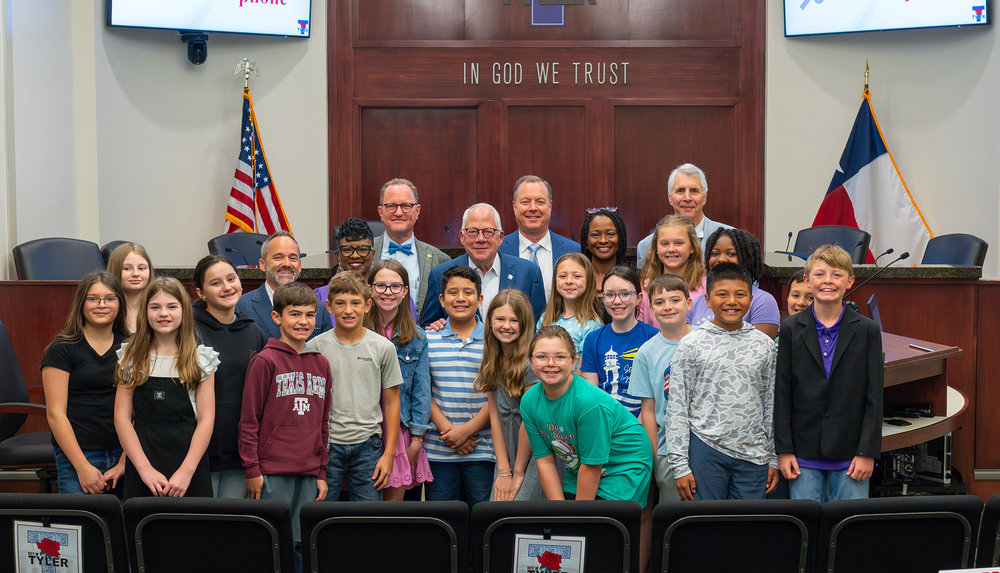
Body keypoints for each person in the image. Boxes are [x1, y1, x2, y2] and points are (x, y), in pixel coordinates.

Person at [776, 245, 883, 503]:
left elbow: (874, 395)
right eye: (820, 274)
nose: (828, 281)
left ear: (850, 281)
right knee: (807, 529)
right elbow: (782, 392)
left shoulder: (867, 330)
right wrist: (784, 450)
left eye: (836, 275)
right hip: (802, 452)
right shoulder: (790, 328)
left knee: (849, 530)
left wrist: (867, 451)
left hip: (851, 453)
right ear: (807, 280)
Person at [666, 263, 778, 501]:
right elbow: (677, 406)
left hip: (753, 454)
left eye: (740, 295)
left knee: (747, 529)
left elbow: (770, 403)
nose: (731, 301)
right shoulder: (691, 343)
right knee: (707, 528)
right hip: (705, 449)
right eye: (722, 294)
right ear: (707, 299)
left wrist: (773, 457)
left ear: (750, 299)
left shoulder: (764, 344)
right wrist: (680, 465)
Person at [239, 282, 332, 561]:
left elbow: (323, 423)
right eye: (295, 314)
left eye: (309, 315)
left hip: (309, 471)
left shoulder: (321, 363)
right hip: (271, 472)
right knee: (272, 544)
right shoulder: (265, 361)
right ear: (276, 317)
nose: (303, 322)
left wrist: (321, 471)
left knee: (303, 543)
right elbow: (248, 420)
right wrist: (252, 469)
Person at [520, 325, 652, 506]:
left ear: (574, 361)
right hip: (582, 464)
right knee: (564, 517)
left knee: (596, 525)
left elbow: (592, 466)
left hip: (623, 462)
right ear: (531, 361)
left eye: (560, 356)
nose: (551, 363)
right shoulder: (528, 402)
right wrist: (560, 514)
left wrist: (577, 520)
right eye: (541, 356)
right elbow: (545, 460)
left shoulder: (586, 401)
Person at [114, 278, 219, 499]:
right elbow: (121, 419)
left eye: (172, 306)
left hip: (189, 466)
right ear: (145, 312)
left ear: (184, 311)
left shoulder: (200, 360)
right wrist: (145, 470)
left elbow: (207, 420)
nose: (164, 313)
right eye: (155, 307)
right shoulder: (131, 358)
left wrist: (186, 472)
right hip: (144, 466)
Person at [310, 272, 402, 502]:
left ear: (368, 305)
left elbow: (392, 402)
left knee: (368, 520)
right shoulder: (313, 348)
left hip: (368, 445)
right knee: (319, 514)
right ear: (329, 307)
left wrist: (389, 453)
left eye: (355, 303)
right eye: (340, 303)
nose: (348, 310)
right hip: (326, 445)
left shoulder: (383, 347)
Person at [41, 271, 129, 495]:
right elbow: (55, 414)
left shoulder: (132, 347)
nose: (102, 304)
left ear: (120, 303)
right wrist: (82, 467)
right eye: (93, 298)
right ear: (81, 303)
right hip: (79, 453)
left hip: (125, 452)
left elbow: (143, 409)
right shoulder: (62, 349)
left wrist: (124, 461)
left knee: (127, 527)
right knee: (83, 527)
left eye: (110, 298)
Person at [192, 255, 268, 498]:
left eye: (231, 279)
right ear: (200, 292)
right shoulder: (188, 330)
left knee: (231, 525)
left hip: (240, 450)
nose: (226, 287)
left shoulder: (254, 332)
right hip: (200, 448)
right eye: (215, 283)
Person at [363, 260, 434, 501]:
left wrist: (416, 439)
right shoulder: (357, 330)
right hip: (363, 428)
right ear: (370, 289)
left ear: (405, 292)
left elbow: (421, 392)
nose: (388, 292)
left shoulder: (417, 337)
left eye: (395, 286)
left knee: (392, 510)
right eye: (381, 285)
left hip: (400, 430)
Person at [423, 266, 494, 507]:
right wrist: (449, 431)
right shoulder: (427, 339)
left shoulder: (494, 340)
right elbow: (423, 390)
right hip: (439, 449)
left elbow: (497, 394)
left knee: (483, 519)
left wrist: (466, 431)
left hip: (484, 449)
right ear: (442, 300)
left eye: (468, 292)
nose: (461, 298)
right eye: (453, 293)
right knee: (443, 523)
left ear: (480, 299)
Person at [421, 203, 545, 327]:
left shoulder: (528, 273)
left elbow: (538, 328)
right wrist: (434, 327)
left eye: (488, 232)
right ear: (462, 237)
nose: (480, 239)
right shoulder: (440, 275)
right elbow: (428, 327)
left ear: (500, 237)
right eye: (472, 232)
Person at [474, 289, 544, 501]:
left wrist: (518, 472)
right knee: (499, 510)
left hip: (534, 451)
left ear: (525, 324)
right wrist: (504, 470)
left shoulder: (530, 363)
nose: (506, 326)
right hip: (507, 452)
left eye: (514, 320)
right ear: (490, 321)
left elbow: (530, 421)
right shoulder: (492, 359)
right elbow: (495, 416)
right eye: (500, 319)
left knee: (521, 509)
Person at [631, 274, 692, 504]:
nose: (667, 307)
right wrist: (655, 456)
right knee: (675, 519)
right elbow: (647, 409)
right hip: (667, 449)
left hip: (706, 445)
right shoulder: (646, 352)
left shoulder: (705, 340)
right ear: (651, 308)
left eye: (675, 300)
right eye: (659, 302)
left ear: (688, 303)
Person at [580, 266, 658, 417]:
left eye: (625, 294)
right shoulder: (593, 339)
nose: (617, 301)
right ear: (602, 298)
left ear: (639, 298)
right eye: (610, 295)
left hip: (644, 421)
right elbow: (591, 394)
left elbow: (655, 392)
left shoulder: (653, 337)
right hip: (606, 419)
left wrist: (636, 428)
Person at [372, 178, 451, 318]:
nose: (398, 212)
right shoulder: (361, 254)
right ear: (381, 212)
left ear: (417, 211)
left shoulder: (441, 261)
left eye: (406, 206)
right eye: (391, 206)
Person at [237, 230, 334, 340]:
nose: (287, 264)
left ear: (300, 265)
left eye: (293, 258)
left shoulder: (320, 309)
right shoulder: (242, 306)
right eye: (278, 257)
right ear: (262, 265)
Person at [689, 228, 780, 339]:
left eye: (731, 254)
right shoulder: (696, 303)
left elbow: (758, 349)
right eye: (715, 253)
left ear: (748, 258)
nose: (721, 259)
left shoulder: (763, 301)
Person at [500, 175, 580, 300]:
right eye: (525, 202)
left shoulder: (575, 251)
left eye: (540, 202)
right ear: (515, 207)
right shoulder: (498, 251)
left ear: (550, 206)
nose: (533, 208)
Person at [636, 163, 732, 267]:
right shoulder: (646, 246)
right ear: (670, 198)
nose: (687, 198)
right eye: (680, 191)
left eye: (694, 191)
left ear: (704, 198)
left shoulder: (730, 238)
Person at [638, 215, 705, 328]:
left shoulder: (707, 287)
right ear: (656, 249)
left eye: (679, 243)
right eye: (664, 244)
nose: (671, 249)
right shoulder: (644, 288)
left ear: (692, 247)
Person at [537, 253, 602, 360]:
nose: (569, 281)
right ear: (555, 281)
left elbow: (584, 370)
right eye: (563, 276)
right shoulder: (545, 318)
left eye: (577, 276)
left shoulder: (591, 324)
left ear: (589, 281)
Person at [314, 218, 379, 310]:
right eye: (347, 250)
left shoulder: (385, 295)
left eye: (363, 249)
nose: (355, 256)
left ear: (373, 254)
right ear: (339, 255)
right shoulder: (320, 296)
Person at [106, 243, 154, 334]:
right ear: (115, 270)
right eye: (127, 268)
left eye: (141, 268)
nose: (135, 274)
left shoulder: (158, 308)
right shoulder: (104, 307)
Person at [580, 207, 627, 291]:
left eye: (611, 234)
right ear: (586, 240)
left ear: (620, 238)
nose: (603, 240)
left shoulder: (637, 278)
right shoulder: (577, 278)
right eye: (595, 235)